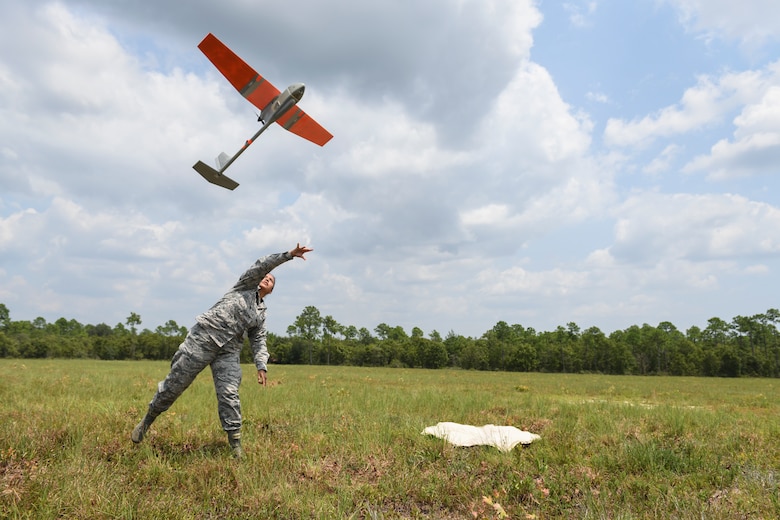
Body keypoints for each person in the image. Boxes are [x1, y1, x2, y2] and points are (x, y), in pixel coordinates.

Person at [131, 243, 313, 457]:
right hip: (203, 338)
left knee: (229, 395)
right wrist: (289, 255)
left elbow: (259, 340)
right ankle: (147, 421)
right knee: (174, 385)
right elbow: (262, 264)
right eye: (266, 276)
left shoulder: (261, 314)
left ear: (271, 290)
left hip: (228, 351)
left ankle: (235, 446)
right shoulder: (244, 286)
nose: (267, 278)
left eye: (271, 280)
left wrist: (261, 365)